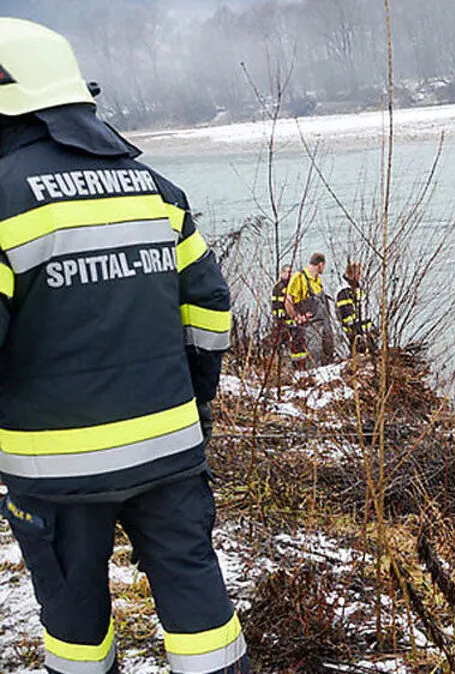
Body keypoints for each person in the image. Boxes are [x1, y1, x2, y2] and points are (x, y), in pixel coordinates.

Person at [0, 18, 248, 674]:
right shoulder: (154, 189)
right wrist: (191, 402)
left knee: (75, 621)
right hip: (171, 451)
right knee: (198, 603)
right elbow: (211, 310)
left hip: (55, 474)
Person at [284, 252, 335, 369]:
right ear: (320, 265)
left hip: (324, 324)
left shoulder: (317, 280)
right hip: (310, 326)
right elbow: (288, 300)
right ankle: (312, 378)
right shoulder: (299, 278)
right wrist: (296, 317)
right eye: (324, 266)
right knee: (314, 354)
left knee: (328, 351)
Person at [335, 261, 378, 356]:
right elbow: (347, 316)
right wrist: (358, 331)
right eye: (359, 273)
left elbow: (363, 311)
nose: (360, 276)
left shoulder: (356, 288)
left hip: (363, 331)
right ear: (352, 274)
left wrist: (372, 327)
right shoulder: (344, 292)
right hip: (354, 335)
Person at [268, 264, 295, 358]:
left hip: (293, 321)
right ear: (283, 273)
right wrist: (280, 318)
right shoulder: (278, 288)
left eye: (291, 272)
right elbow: (276, 305)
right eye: (288, 272)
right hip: (283, 322)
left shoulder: (292, 286)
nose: (291, 274)